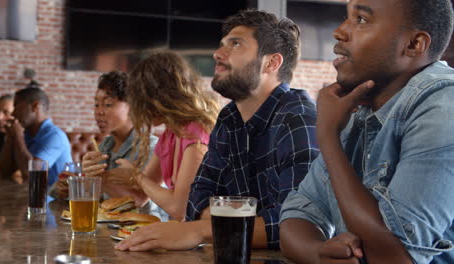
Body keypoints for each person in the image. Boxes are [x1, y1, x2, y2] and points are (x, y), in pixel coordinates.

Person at [115, 9, 318, 251]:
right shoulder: (229, 117)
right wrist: (225, 222)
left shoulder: (299, 119)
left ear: (271, 63)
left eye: (235, 44)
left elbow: (299, 226)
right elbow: (196, 201)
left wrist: (201, 229)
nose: (217, 54)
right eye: (222, 45)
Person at [279, 0, 454, 263]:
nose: (339, 31)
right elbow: (299, 215)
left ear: (414, 44)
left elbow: (395, 258)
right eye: (346, 17)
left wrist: (327, 136)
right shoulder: (359, 109)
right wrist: (320, 253)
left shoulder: (444, 105)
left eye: (361, 20)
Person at [103, 52, 219, 221]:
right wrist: (97, 179)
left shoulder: (195, 135)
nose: (138, 111)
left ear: (159, 99)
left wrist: (136, 176)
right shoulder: (170, 135)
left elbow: (179, 209)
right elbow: (139, 198)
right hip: (187, 233)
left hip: (212, 238)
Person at [61, 71, 158, 204]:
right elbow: (97, 196)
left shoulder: (150, 147)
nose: (98, 111)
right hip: (108, 223)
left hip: (144, 223)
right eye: (96, 105)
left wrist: (101, 179)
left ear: (132, 107)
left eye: (107, 104)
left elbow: (139, 201)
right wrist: (74, 184)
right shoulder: (105, 145)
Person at [0, 87, 72, 186]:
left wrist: (18, 136)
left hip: (57, 199)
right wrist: (10, 138)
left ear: (35, 106)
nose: (13, 113)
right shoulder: (26, 133)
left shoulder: (55, 136)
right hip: (35, 196)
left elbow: (33, 176)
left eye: (17, 106)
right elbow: (4, 172)